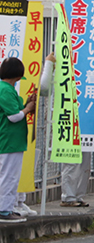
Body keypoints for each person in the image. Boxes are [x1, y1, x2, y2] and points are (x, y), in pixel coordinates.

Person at [39, 53, 94, 209]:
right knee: (71, 164)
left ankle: (78, 195)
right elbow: (44, 89)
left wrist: (93, 125)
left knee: (84, 165)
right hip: (66, 126)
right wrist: (49, 64)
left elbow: (85, 108)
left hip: (84, 128)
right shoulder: (61, 79)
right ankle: (68, 196)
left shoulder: (83, 82)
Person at [0, 58, 36, 223]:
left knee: (7, 175)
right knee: (9, 176)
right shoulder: (6, 90)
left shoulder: (5, 89)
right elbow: (14, 116)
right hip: (9, 140)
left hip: (8, 140)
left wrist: (26, 105)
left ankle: (6, 209)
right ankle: (5, 210)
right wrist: (28, 108)